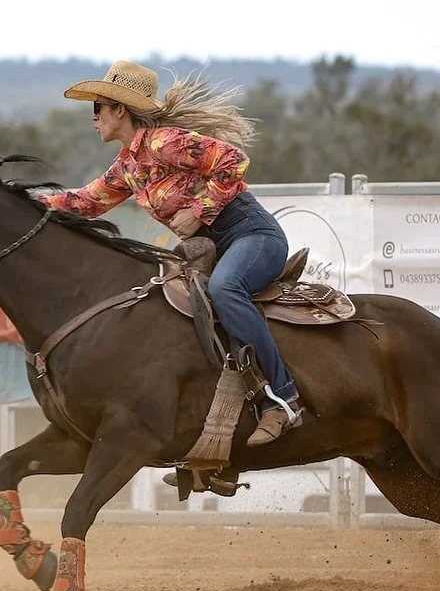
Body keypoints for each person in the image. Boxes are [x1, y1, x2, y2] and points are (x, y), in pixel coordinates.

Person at [40, 60, 304, 446]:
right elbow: (86, 202)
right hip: (215, 246)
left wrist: (198, 210)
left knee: (226, 290)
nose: (93, 117)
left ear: (119, 109)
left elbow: (233, 161)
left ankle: (283, 398)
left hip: (252, 234)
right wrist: (29, 203)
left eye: (97, 108)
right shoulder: (128, 167)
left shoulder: (165, 142)